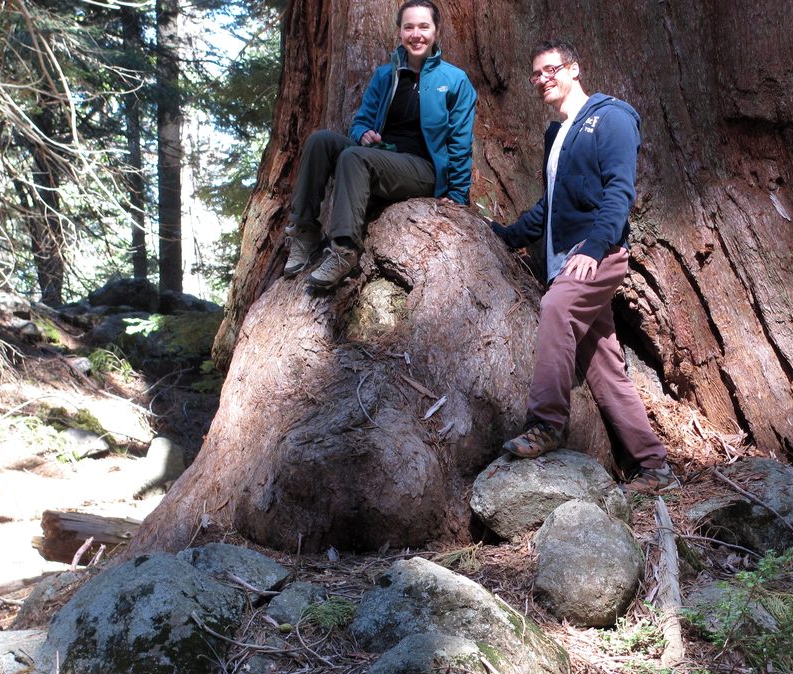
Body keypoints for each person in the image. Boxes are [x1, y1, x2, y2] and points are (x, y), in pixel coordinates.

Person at [488, 40, 678, 495]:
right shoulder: (556, 134)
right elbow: (551, 206)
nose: (543, 79)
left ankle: (546, 424)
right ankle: (655, 467)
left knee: (556, 308)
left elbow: (619, 191)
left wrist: (594, 248)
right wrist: (505, 235)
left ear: (574, 70)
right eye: (536, 74)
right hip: (565, 259)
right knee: (603, 364)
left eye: (551, 69)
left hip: (598, 254)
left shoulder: (611, 116)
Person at [283, 0, 477, 288]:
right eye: (408, 27)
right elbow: (361, 121)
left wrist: (458, 195)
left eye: (424, 26)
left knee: (354, 158)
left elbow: (461, 142)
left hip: (422, 169)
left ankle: (344, 250)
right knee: (320, 140)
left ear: (436, 31)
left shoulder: (454, 80)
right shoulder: (386, 75)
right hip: (381, 158)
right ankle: (304, 231)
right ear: (400, 31)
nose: (416, 34)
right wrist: (363, 134)